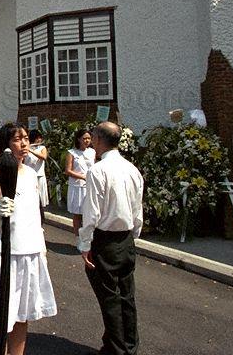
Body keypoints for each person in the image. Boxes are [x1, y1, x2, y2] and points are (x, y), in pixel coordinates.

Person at [0, 123, 57, 354]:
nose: (24, 143)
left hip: (29, 250)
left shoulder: (32, 174)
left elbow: (35, 216)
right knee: (0, 314)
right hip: (4, 252)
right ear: (5, 145)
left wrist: (41, 248)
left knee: (23, 314)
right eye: (17, 139)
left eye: (25, 138)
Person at [79, 122, 144, 355]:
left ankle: (115, 349)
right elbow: (138, 209)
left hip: (105, 240)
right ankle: (129, 345)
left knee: (109, 298)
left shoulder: (98, 171)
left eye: (93, 137)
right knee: (127, 295)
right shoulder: (132, 169)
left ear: (98, 139)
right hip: (126, 239)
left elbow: (92, 213)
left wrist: (85, 244)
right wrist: (134, 234)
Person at [66, 129, 96, 237]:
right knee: (78, 214)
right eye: (84, 138)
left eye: (89, 138)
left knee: (89, 213)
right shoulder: (72, 153)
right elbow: (68, 170)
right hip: (77, 186)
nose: (87, 141)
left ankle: (88, 238)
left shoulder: (92, 152)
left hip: (90, 186)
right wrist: (82, 177)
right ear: (78, 139)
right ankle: (78, 238)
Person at [25, 130, 49, 222]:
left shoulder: (42, 148)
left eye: (40, 138)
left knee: (40, 199)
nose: (39, 140)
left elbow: (43, 157)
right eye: (37, 138)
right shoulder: (26, 147)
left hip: (39, 176)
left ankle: (40, 219)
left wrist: (31, 150)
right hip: (29, 176)